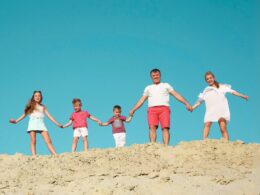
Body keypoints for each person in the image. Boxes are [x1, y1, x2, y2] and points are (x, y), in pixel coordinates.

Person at [129, 68, 192, 145]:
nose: (155, 77)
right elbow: (141, 100)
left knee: (165, 128)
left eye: (157, 75)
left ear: (160, 75)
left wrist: (186, 103)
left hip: (164, 109)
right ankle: (153, 145)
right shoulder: (148, 88)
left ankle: (166, 146)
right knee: (152, 127)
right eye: (153, 75)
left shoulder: (166, 85)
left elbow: (176, 94)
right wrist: (133, 109)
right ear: (151, 77)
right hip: (152, 109)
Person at [192, 71, 248, 140]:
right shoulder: (206, 90)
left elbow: (233, 92)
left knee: (222, 126)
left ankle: (227, 143)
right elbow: (199, 101)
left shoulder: (222, 87)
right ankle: (204, 142)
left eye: (210, 78)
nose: (209, 80)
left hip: (221, 109)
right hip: (210, 110)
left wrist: (242, 96)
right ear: (206, 81)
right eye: (207, 79)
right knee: (207, 124)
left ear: (214, 78)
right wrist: (192, 108)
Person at [9, 91, 62, 156]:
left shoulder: (43, 106)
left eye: (39, 96)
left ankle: (55, 154)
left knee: (48, 141)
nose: (37, 97)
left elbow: (49, 116)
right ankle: (34, 156)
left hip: (41, 124)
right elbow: (24, 115)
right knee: (33, 141)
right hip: (33, 123)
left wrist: (57, 124)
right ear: (33, 97)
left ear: (41, 97)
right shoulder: (31, 105)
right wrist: (16, 121)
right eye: (36, 96)